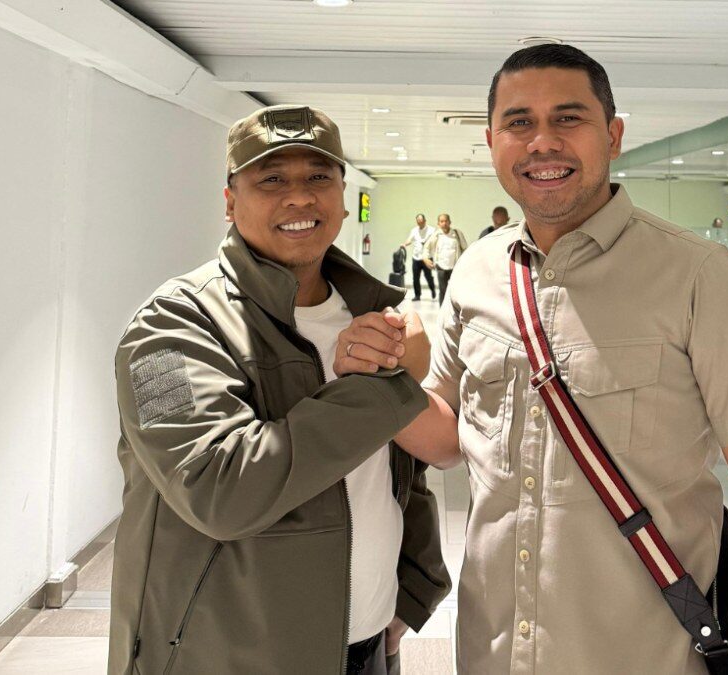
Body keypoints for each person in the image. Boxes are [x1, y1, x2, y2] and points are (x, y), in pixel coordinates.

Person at [350, 44, 728, 674]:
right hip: (493, 653)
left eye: (568, 118)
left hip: (648, 658)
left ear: (612, 135)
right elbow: (448, 439)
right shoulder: (477, 272)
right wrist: (384, 375)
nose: (542, 142)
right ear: (491, 141)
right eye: (519, 122)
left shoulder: (699, 276)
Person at [108, 104, 454, 675]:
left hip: (369, 643)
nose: (299, 197)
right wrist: (385, 387)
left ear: (343, 196)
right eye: (271, 179)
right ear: (230, 201)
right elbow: (218, 491)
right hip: (232, 658)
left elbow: (395, 476)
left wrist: (413, 591)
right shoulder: (167, 328)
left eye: (319, 176)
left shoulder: (370, 314)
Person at [423, 213, 468, 305]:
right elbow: (426, 247)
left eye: (446, 221)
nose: (444, 223)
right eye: (441, 221)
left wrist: (464, 264)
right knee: (443, 291)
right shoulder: (436, 235)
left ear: (450, 222)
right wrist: (425, 259)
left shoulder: (457, 233)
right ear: (438, 223)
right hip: (441, 267)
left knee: (456, 291)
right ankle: (442, 311)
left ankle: (456, 310)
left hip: (455, 268)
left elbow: (465, 248)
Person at [401, 213, 436, 300]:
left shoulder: (431, 230)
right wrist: (405, 244)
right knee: (415, 278)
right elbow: (410, 240)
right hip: (416, 257)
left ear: (425, 221)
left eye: (421, 221)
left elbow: (435, 241)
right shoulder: (414, 230)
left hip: (427, 257)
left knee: (428, 276)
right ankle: (417, 295)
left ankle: (432, 289)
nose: (420, 223)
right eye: (418, 222)